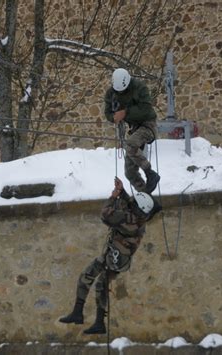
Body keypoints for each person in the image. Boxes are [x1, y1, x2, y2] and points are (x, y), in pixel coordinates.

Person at [59, 177, 161, 334]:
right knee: (101, 285)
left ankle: (78, 313)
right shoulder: (141, 218)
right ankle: (98, 322)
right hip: (121, 260)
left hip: (113, 258)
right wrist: (123, 192)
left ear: (137, 208)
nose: (131, 204)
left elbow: (105, 214)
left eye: (133, 204)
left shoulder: (128, 219)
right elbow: (133, 205)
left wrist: (114, 196)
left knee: (86, 276)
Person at [104, 68, 160, 194]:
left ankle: (150, 173)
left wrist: (125, 112)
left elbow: (146, 109)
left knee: (130, 145)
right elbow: (108, 112)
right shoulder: (111, 94)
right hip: (133, 129)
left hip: (147, 125)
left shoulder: (140, 88)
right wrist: (113, 117)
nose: (121, 92)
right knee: (129, 172)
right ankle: (145, 195)